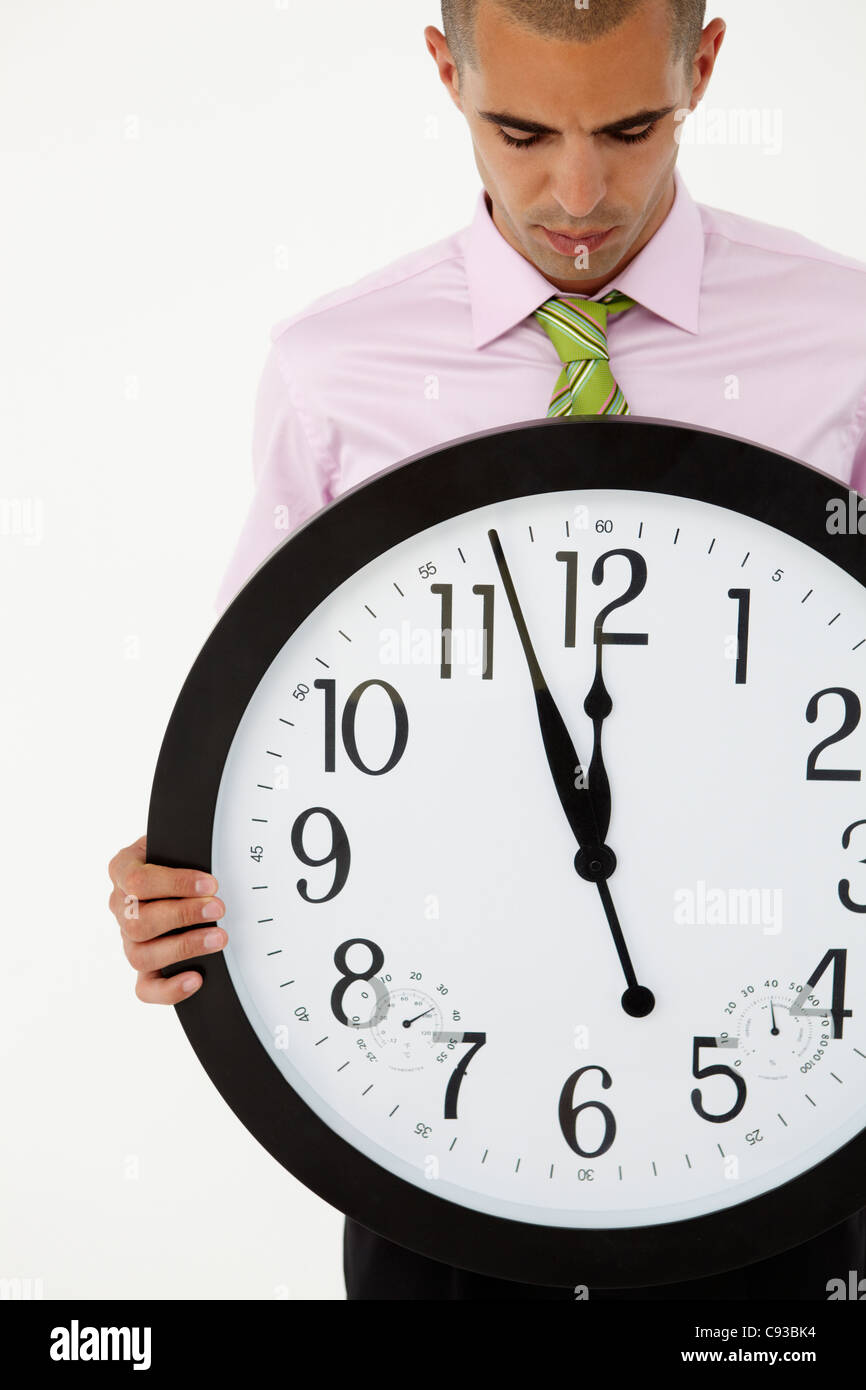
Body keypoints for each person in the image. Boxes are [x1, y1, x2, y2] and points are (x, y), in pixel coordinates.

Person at [107, 0, 866, 1300]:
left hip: (783, 1118)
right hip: (444, 1118)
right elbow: (266, 741)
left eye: (631, 126)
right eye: (520, 130)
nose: (577, 193)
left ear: (705, 64)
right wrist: (177, 871)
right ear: (443, 67)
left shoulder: (841, 340)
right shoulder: (338, 371)